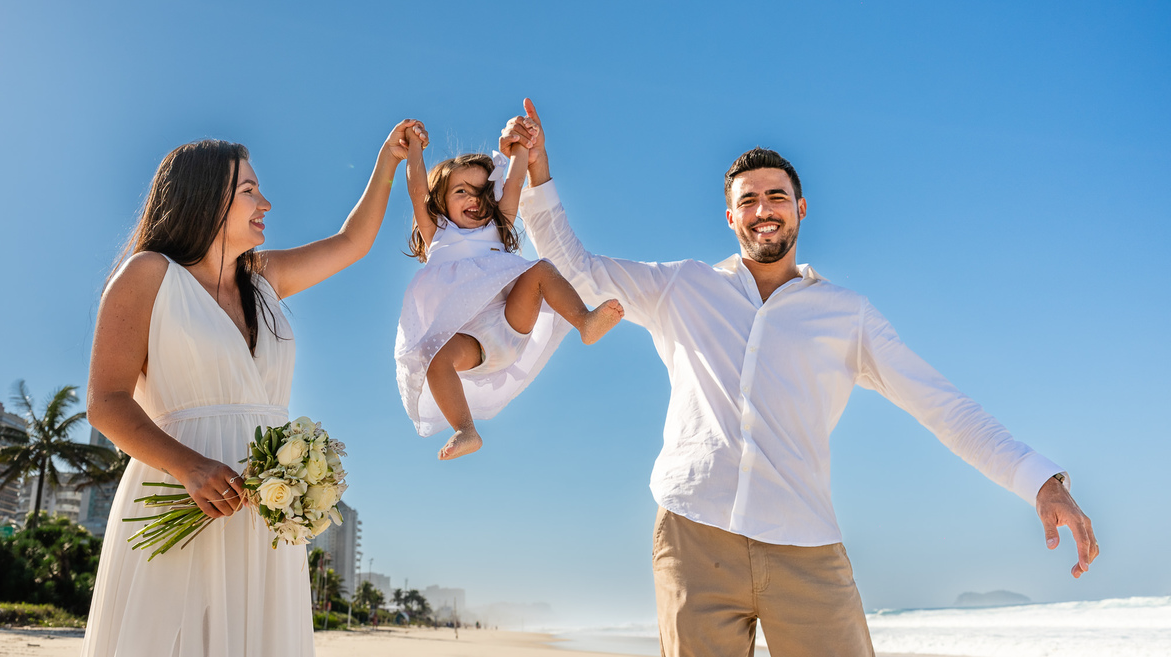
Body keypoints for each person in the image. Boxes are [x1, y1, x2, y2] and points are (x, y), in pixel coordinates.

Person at [502, 100, 1098, 657]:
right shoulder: (683, 289)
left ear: (801, 207)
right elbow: (576, 273)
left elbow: (941, 405)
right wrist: (536, 174)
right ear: (731, 215)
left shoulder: (848, 316)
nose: (764, 209)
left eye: (777, 196)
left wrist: (1039, 481)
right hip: (693, 536)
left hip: (805, 545)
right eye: (750, 200)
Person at [81, 120, 425, 657]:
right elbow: (105, 402)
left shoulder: (261, 278)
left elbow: (353, 242)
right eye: (248, 190)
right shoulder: (147, 274)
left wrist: (388, 162)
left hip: (265, 510)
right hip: (178, 494)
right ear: (203, 197)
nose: (265, 202)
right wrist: (189, 466)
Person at [394, 123, 624, 460]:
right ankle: (465, 429)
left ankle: (585, 321)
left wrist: (519, 144)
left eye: (481, 191)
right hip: (472, 345)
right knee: (435, 355)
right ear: (440, 201)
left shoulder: (496, 229)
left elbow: (515, 180)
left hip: (509, 323)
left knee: (540, 269)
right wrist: (414, 147)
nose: (474, 198)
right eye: (461, 191)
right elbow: (416, 189)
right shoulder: (438, 235)